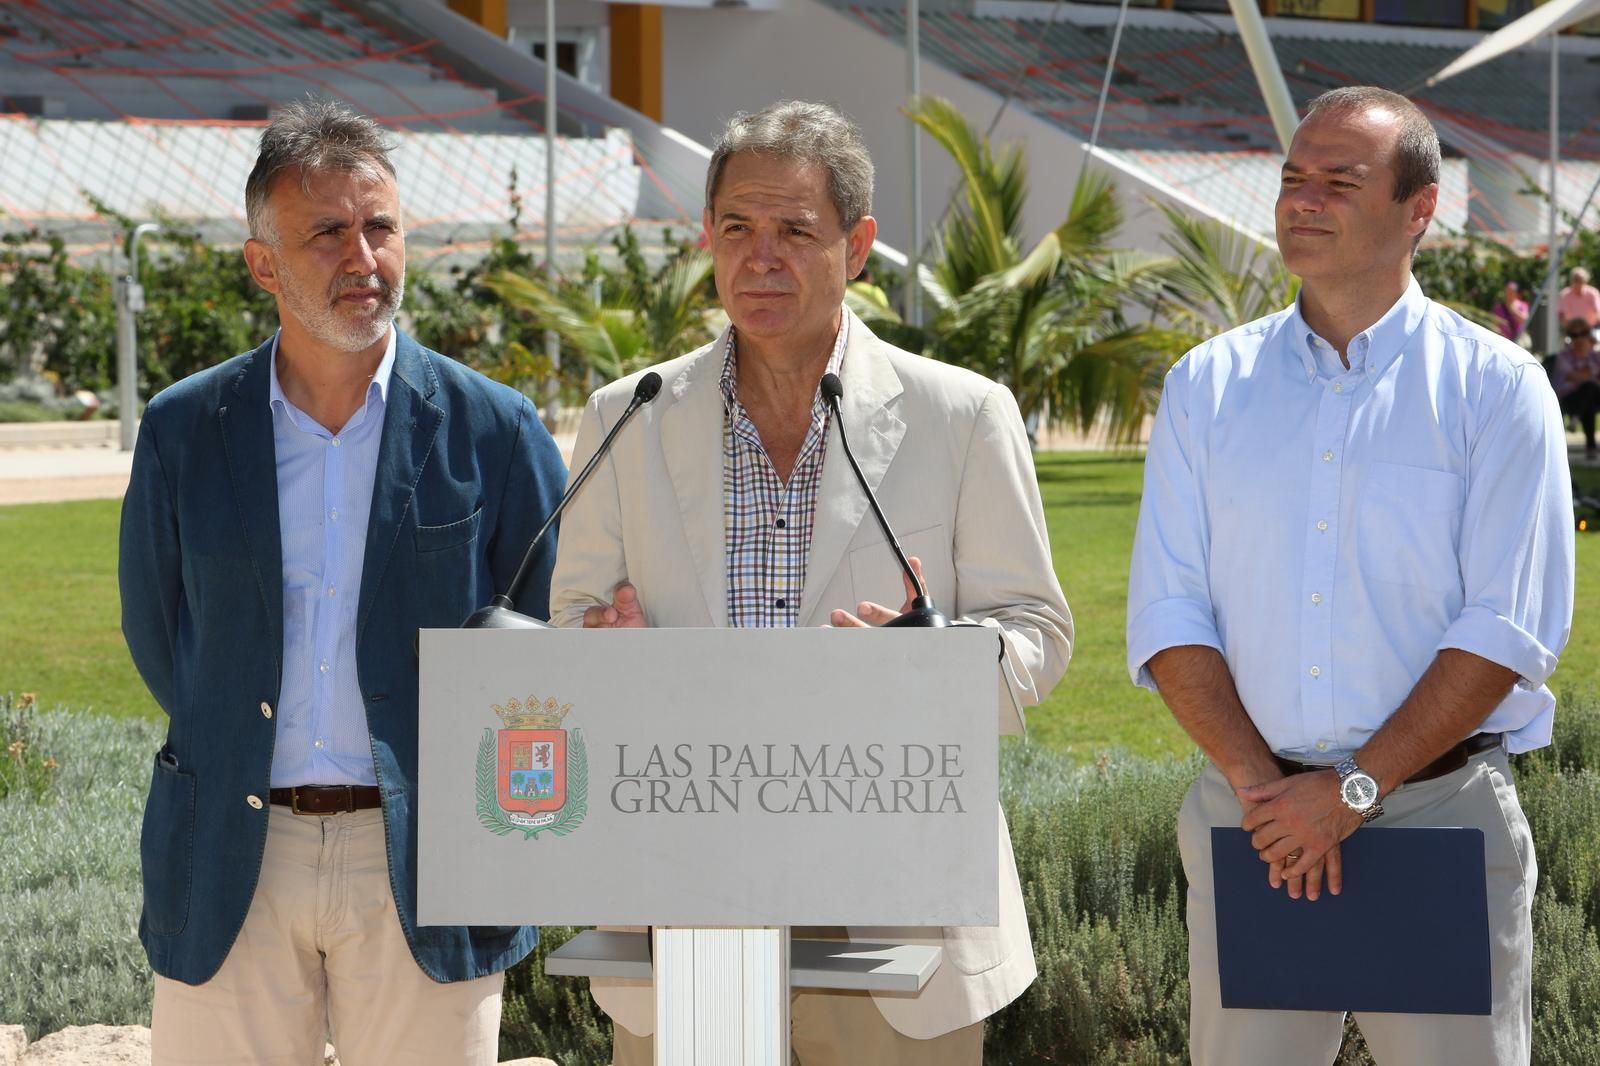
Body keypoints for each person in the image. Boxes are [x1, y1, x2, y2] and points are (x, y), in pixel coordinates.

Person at [548, 100, 1073, 1066]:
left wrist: (937, 661)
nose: (761, 258)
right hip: (689, 897)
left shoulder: (962, 415)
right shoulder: (627, 415)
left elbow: (1037, 632)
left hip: (898, 916)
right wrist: (598, 656)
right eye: (738, 229)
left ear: (858, 246)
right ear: (709, 239)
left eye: (796, 231)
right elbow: (571, 627)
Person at [1127, 85, 1574, 1065]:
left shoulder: (1497, 389)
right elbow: (1168, 614)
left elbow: (1502, 628)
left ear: (1420, 210)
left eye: (1339, 179)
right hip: (1253, 823)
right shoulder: (1206, 388)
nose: (1303, 199)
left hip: (1438, 819)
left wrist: (1354, 788)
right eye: (1292, 178)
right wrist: (1267, 790)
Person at [119, 100, 566, 1064]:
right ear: (263, 263)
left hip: (429, 858)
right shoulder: (184, 430)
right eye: (328, 230)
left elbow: (542, 644)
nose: (363, 256)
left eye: (382, 226)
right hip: (233, 848)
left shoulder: (496, 429)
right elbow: (162, 636)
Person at [1554, 317, 1600, 460]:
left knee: (1589, 393)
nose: (1579, 339)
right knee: (1589, 391)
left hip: (1591, 397)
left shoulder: (1595, 356)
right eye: (1575, 335)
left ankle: (1576, 418)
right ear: (1570, 337)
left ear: (1589, 334)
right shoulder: (1563, 357)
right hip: (1568, 399)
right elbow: (1575, 377)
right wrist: (1591, 377)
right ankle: (1591, 447)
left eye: (1583, 334)